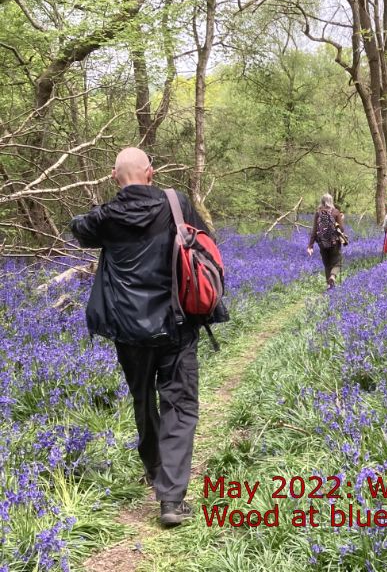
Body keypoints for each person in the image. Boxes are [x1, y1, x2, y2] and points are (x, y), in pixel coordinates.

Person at [70, 147, 228, 528]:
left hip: (129, 333)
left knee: (144, 402)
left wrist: (103, 211)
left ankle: (155, 469)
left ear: (114, 177)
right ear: (151, 174)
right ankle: (171, 497)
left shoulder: (106, 218)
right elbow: (204, 242)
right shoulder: (176, 204)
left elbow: (78, 228)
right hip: (176, 325)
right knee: (180, 405)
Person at [307, 194, 345, 289]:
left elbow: (314, 230)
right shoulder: (336, 212)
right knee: (337, 262)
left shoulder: (318, 213)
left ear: (322, 201)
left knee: (327, 264)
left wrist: (310, 246)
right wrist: (341, 219)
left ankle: (329, 285)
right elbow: (341, 229)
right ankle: (333, 276)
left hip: (322, 243)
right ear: (331, 201)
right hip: (334, 242)